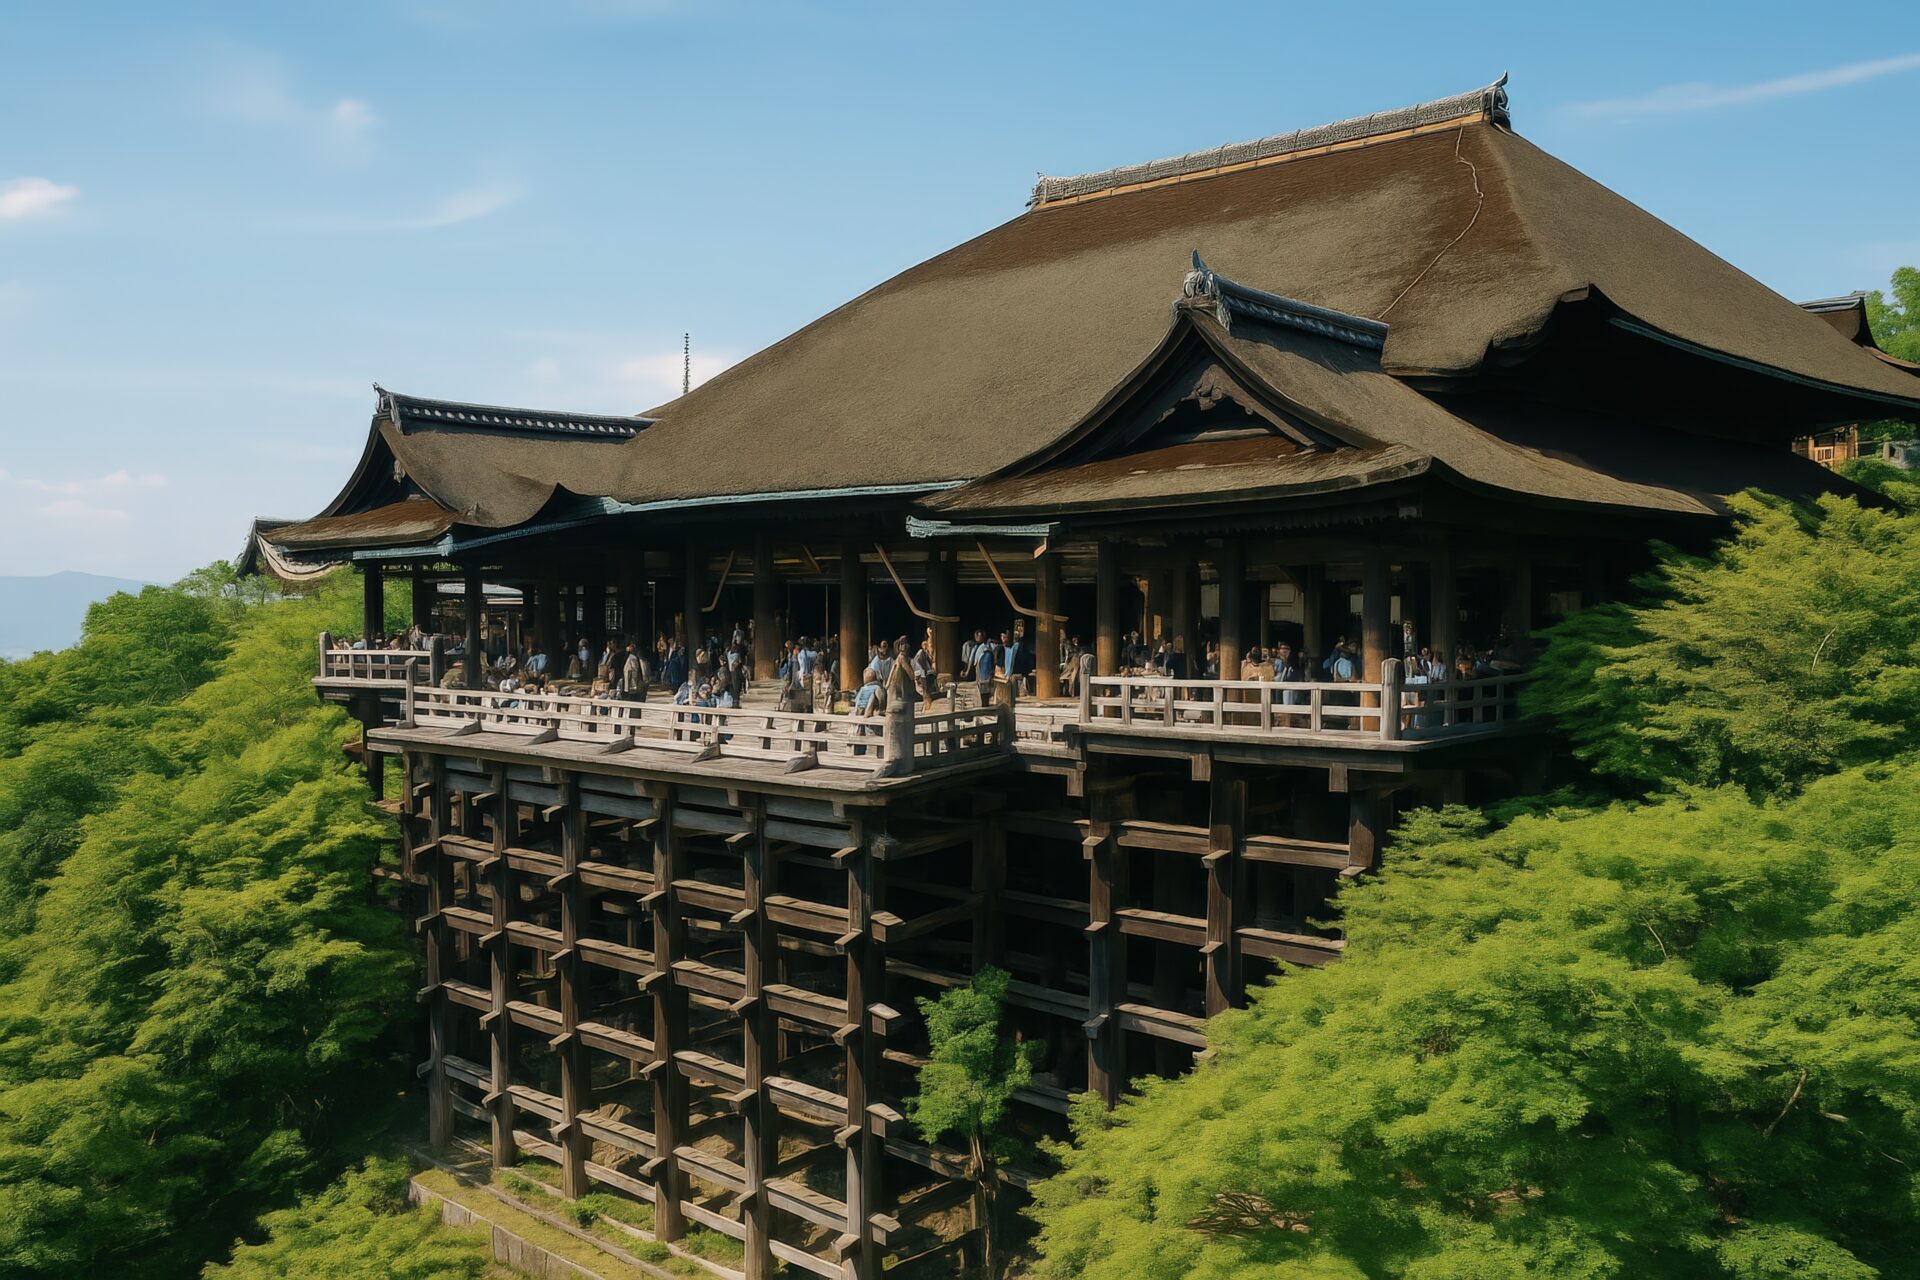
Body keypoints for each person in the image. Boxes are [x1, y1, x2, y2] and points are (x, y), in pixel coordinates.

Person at [973, 633, 998, 707]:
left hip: (984, 675)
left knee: (984, 690)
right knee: (984, 690)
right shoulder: (985, 652)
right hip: (984, 674)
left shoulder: (986, 652)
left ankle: (984, 703)